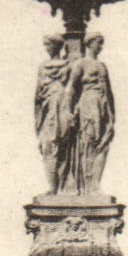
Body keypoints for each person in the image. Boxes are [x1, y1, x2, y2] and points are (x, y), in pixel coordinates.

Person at [68, 33, 115, 194]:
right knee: (89, 142)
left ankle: (95, 183)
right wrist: (69, 110)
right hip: (88, 104)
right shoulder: (81, 63)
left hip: (102, 105)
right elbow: (71, 87)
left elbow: (108, 91)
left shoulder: (102, 66)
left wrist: (110, 115)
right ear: (89, 44)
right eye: (98, 43)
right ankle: (88, 186)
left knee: (103, 143)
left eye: (102, 43)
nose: (100, 46)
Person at [34, 33, 73, 193]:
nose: (47, 48)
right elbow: (38, 94)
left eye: (49, 45)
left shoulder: (68, 66)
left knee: (62, 145)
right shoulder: (43, 67)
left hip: (61, 108)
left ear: (56, 45)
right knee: (48, 145)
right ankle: (53, 186)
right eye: (46, 45)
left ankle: (61, 186)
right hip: (48, 109)